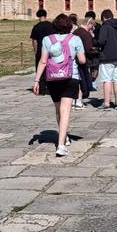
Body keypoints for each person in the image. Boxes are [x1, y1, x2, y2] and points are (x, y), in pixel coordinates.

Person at [32, 14, 87, 157]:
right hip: (71, 77)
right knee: (65, 111)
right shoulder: (75, 39)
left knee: (58, 110)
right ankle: (61, 145)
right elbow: (82, 60)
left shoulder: (47, 39)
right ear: (69, 26)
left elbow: (43, 61)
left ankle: (64, 136)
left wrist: (37, 80)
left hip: (53, 78)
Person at [95, 9, 117, 110]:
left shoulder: (105, 26)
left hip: (107, 56)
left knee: (107, 80)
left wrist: (95, 42)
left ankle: (107, 103)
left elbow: (101, 41)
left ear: (103, 17)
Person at [69, 14, 95, 109]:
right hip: (82, 59)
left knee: (76, 80)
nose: (92, 28)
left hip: (73, 59)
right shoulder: (86, 34)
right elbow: (88, 49)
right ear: (89, 24)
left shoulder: (76, 32)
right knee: (82, 81)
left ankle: (73, 100)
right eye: (92, 25)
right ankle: (79, 101)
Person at [29, 8, 53, 95]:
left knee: (40, 69)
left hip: (40, 50)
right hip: (50, 50)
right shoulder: (51, 25)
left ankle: (42, 89)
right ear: (45, 15)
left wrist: (36, 50)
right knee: (50, 69)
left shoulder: (36, 27)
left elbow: (34, 41)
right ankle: (50, 88)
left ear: (38, 16)